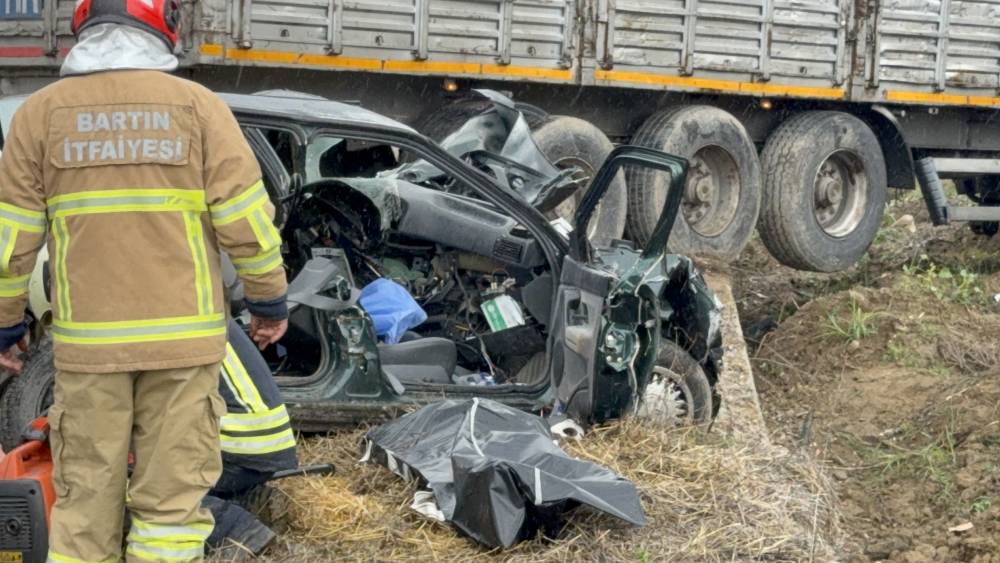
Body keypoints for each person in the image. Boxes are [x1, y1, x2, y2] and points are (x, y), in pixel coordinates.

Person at [0, 1, 289, 561]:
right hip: (183, 349)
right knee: (170, 509)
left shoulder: (41, 115)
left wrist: (7, 328)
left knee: (84, 508)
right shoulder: (199, 109)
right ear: (162, 26)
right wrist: (268, 301)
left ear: (81, 29)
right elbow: (246, 222)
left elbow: (11, 245)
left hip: (89, 352)